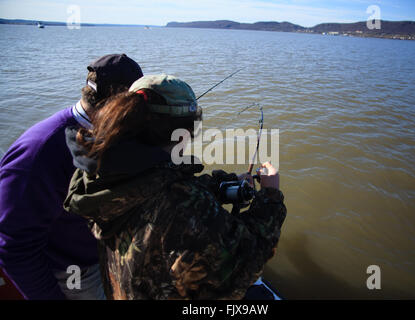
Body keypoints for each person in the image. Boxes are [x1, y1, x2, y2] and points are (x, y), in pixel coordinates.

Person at [63, 74, 287, 299]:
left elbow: (155, 186)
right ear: (183, 132)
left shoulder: (100, 170)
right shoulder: (182, 204)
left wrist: (222, 185)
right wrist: (270, 196)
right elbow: (245, 265)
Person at [0, 54, 143, 300]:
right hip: (72, 273)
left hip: (100, 255)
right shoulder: (41, 151)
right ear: (118, 102)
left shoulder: (101, 133)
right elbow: (14, 245)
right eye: (134, 105)